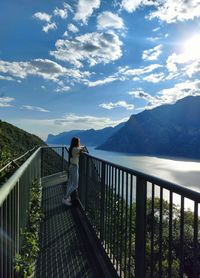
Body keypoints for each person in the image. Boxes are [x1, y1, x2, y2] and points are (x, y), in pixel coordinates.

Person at [62, 137, 86, 206]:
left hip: (71, 166)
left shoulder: (71, 148)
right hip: (74, 167)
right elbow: (82, 150)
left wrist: (81, 148)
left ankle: (67, 197)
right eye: (79, 142)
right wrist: (83, 148)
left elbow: (79, 148)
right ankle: (65, 198)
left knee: (70, 182)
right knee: (75, 185)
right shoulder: (75, 149)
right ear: (77, 142)